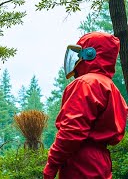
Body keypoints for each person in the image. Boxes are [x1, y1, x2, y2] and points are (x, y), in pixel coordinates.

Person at [43, 31, 128, 179]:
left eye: (79, 54)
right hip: (101, 162)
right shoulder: (111, 87)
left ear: (90, 54)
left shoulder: (86, 83)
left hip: (82, 165)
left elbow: (71, 130)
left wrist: (51, 166)